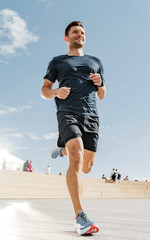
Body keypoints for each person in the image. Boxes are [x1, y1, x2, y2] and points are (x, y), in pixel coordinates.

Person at [41, 21, 106, 235]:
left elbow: (102, 94)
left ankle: (61, 149)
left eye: (82, 32)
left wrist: (99, 84)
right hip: (67, 111)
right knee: (76, 154)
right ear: (66, 38)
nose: (80, 34)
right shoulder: (58, 61)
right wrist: (56, 92)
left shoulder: (96, 61)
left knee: (86, 167)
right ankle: (80, 216)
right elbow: (44, 90)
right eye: (75, 32)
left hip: (91, 116)